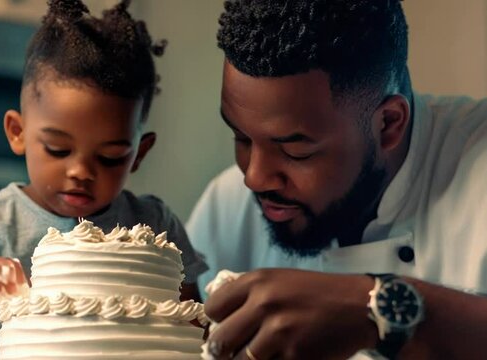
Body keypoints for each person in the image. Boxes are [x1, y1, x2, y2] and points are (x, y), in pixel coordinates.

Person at [0, 1, 208, 358]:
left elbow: (194, 328)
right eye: (58, 149)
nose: (80, 172)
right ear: (18, 133)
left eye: (109, 157)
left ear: (139, 153)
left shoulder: (156, 226)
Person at [187, 0, 487, 359]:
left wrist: (372, 307)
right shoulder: (227, 205)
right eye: (241, 137)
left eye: (296, 152)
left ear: (388, 123)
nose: (254, 178)